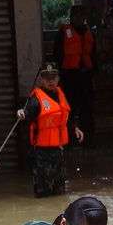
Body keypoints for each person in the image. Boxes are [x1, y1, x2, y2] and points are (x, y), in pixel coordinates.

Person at [17, 63, 83, 200]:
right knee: (43, 192)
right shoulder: (36, 99)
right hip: (43, 154)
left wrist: (74, 128)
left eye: (53, 78)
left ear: (58, 78)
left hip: (60, 151)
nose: (51, 81)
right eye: (47, 78)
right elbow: (28, 116)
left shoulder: (60, 95)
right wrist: (22, 115)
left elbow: (63, 119)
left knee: (60, 191)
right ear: (41, 80)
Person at [53, 5, 97, 146]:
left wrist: (94, 73)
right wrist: (58, 78)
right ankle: (69, 141)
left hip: (85, 76)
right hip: (69, 76)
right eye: (76, 15)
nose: (79, 18)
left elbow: (93, 54)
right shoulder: (63, 32)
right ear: (71, 17)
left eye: (81, 15)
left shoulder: (89, 31)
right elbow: (57, 55)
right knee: (69, 109)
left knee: (87, 108)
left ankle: (89, 140)